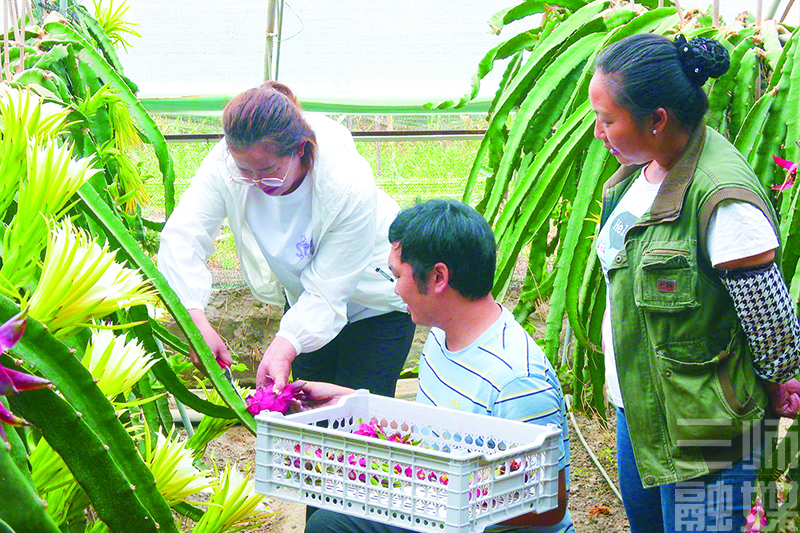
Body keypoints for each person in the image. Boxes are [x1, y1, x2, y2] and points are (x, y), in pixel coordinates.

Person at [590, 33, 800, 532]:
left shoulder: (723, 202)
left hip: (705, 430)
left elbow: (771, 326)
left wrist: (778, 386)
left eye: (607, 119)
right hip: (641, 410)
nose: (599, 132)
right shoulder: (640, 174)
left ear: (657, 119)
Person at [299, 199, 573, 533]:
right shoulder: (441, 336)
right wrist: (348, 401)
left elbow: (549, 507)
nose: (395, 287)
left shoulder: (517, 379)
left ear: (438, 277)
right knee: (329, 521)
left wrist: (438, 507)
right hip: (439, 508)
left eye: (398, 275)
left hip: (471, 523)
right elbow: (430, 431)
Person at [157, 81, 415, 399]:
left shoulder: (346, 181)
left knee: (360, 417)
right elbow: (183, 236)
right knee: (306, 411)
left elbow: (330, 290)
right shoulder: (225, 162)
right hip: (305, 298)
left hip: (376, 303)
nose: (255, 181)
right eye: (244, 171)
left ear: (300, 150)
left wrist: (287, 341)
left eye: (268, 170)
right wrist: (192, 317)